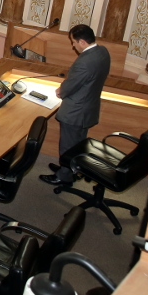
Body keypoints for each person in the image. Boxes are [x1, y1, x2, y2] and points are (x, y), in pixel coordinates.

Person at [42, 24, 111, 186]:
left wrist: (61, 91)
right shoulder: (102, 52)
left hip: (75, 111)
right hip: (88, 107)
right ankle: (71, 168)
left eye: (73, 42)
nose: (73, 46)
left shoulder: (85, 62)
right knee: (78, 143)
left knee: (68, 145)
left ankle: (64, 176)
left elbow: (72, 84)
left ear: (82, 42)